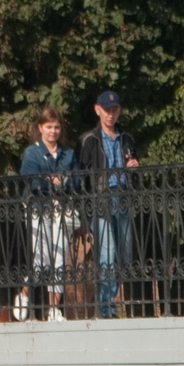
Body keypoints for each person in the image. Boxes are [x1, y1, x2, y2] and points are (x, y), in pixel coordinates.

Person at [77, 88, 139, 317]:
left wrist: (134, 170)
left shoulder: (126, 138)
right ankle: (105, 308)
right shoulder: (89, 140)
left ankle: (108, 300)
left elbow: (135, 172)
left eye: (114, 110)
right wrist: (84, 213)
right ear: (97, 110)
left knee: (124, 255)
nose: (110, 115)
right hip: (101, 201)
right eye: (106, 110)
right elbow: (81, 179)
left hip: (122, 198)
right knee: (107, 254)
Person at [17, 108, 77, 321]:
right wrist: (51, 182)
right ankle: (23, 294)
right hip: (38, 209)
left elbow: (76, 181)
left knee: (59, 257)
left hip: (61, 209)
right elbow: (31, 181)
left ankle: (54, 309)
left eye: (57, 127)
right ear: (40, 128)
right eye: (49, 127)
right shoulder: (31, 153)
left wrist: (62, 181)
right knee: (41, 258)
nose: (53, 131)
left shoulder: (68, 154)